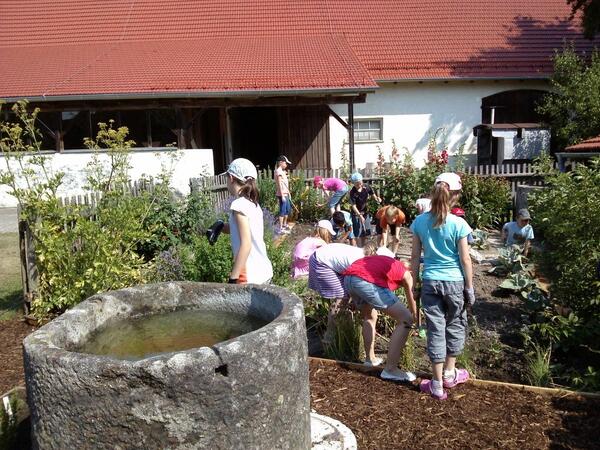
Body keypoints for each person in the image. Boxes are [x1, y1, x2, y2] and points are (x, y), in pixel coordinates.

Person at [410, 172, 475, 400]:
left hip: (430, 281)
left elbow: (415, 257)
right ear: (454, 196)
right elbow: (465, 259)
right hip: (455, 281)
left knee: (435, 329)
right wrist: (469, 287)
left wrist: (415, 284)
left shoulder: (419, 222)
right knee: (455, 324)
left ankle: (436, 384)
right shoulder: (459, 223)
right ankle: (450, 373)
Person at [343, 255, 417, 381]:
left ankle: (370, 359)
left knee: (370, 316)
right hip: (364, 280)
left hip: (349, 278)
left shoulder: (390, 263)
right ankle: (391, 370)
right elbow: (412, 296)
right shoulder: (406, 272)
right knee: (406, 320)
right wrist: (415, 317)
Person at [308, 242, 378, 363]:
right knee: (342, 298)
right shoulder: (360, 262)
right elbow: (356, 286)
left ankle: (335, 333)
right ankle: (329, 337)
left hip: (322, 258)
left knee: (345, 296)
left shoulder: (362, 255)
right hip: (321, 263)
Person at [221, 158, 273, 284]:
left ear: (231, 178)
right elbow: (240, 230)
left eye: (227, 177)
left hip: (249, 275)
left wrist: (233, 278)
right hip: (263, 271)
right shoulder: (252, 204)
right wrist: (221, 226)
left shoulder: (238, 205)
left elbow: (246, 244)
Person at [349, 172, 381, 247]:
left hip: (365, 213)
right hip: (356, 214)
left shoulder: (366, 187)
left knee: (366, 232)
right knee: (358, 232)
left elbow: (373, 195)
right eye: (357, 184)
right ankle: (359, 249)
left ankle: (363, 247)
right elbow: (353, 206)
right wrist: (359, 215)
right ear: (353, 183)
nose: (359, 185)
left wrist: (377, 199)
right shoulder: (352, 192)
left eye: (360, 183)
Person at [274, 155, 292, 235]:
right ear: (281, 162)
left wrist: (288, 193)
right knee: (282, 211)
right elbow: (279, 184)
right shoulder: (278, 172)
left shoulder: (282, 171)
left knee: (287, 209)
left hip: (286, 193)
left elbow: (285, 184)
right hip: (282, 194)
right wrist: (282, 195)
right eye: (285, 163)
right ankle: (280, 228)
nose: (286, 165)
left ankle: (284, 225)